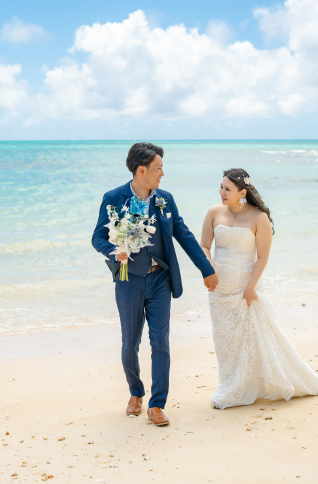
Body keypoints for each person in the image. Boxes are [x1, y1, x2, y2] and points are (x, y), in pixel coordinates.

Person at [92, 142, 219, 426]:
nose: (162, 173)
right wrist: (113, 251)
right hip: (129, 281)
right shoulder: (114, 198)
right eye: (158, 168)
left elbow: (183, 235)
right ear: (141, 170)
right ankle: (135, 392)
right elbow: (97, 237)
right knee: (130, 343)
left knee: (160, 341)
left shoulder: (165, 199)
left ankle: (157, 403)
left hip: (160, 279)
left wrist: (206, 269)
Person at [199, 168, 318, 409]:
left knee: (251, 337)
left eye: (227, 189)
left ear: (242, 192)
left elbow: (262, 257)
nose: (221, 192)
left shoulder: (259, 217)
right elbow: (205, 246)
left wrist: (250, 288)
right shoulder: (213, 212)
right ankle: (230, 384)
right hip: (218, 290)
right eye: (220, 187)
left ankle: (245, 388)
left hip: (245, 289)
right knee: (224, 340)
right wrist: (209, 269)